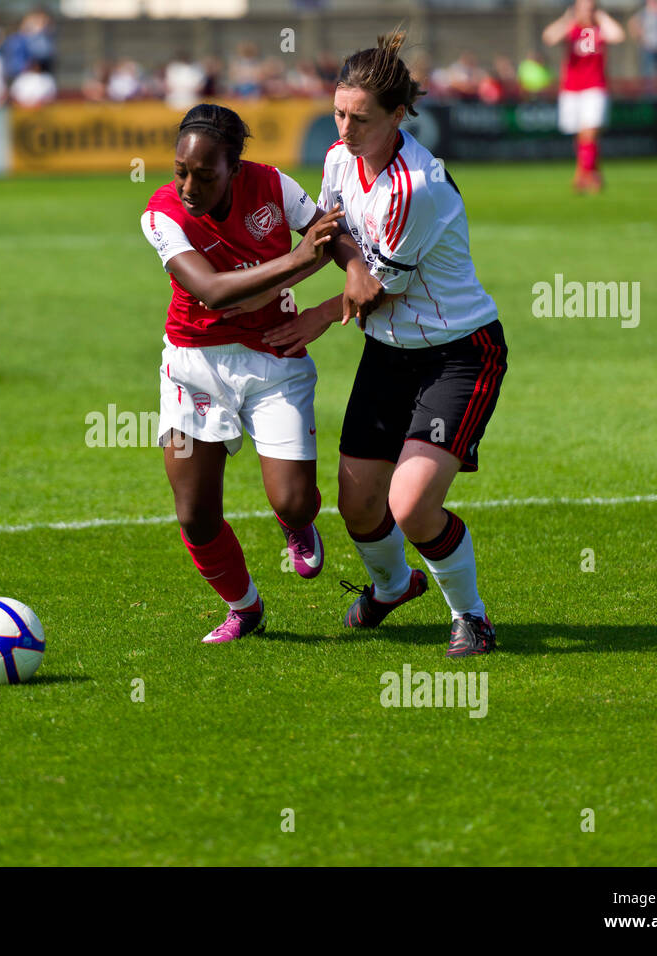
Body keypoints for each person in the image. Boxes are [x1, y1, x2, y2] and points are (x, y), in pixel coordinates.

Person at [261, 33, 508, 658]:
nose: (344, 129)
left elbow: (378, 291)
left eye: (360, 118)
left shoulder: (413, 188)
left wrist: (317, 314)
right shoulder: (341, 159)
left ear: (398, 116)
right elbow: (334, 236)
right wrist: (341, 264)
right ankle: (393, 587)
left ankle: (472, 616)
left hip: (459, 353)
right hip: (389, 353)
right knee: (358, 505)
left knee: (411, 505)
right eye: (339, 113)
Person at [140, 104, 344, 644]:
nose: (188, 185)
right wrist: (296, 264)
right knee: (195, 513)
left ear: (235, 166)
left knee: (295, 500)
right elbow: (208, 290)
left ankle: (296, 525)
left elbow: (331, 237)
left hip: (274, 356)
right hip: (193, 365)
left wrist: (349, 282)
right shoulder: (161, 214)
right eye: (181, 170)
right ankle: (244, 607)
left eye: (205, 175)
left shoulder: (275, 186)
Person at [544, 0, 626, 194]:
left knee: (589, 130)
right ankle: (592, 173)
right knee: (581, 135)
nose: (586, 12)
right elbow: (549, 37)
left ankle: (582, 175)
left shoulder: (600, 30)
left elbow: (619, 36)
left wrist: (601, 17)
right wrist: (567, 19)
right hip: (571, 89)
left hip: (595, 87)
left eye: (590, 8)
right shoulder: (571, 29)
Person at [629, 0, 657, 95]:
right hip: (647, 48)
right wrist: (640, 37)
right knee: (648, 73)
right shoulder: (644, 14)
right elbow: (632, 23)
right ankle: (649, 95)